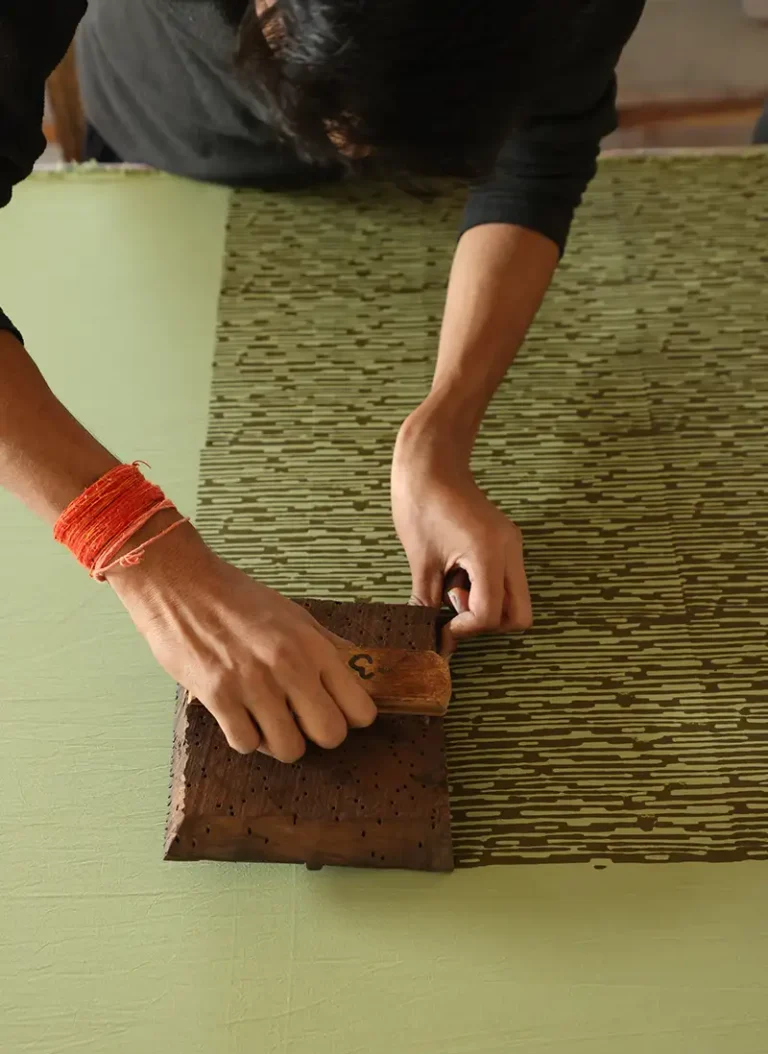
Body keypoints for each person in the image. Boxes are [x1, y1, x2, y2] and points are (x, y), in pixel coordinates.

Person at [0, 0, 646, 761]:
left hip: (442, 197)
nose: (351, 149)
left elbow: (549, 139)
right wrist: (148, 556)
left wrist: (439, 434)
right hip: (173, 149)